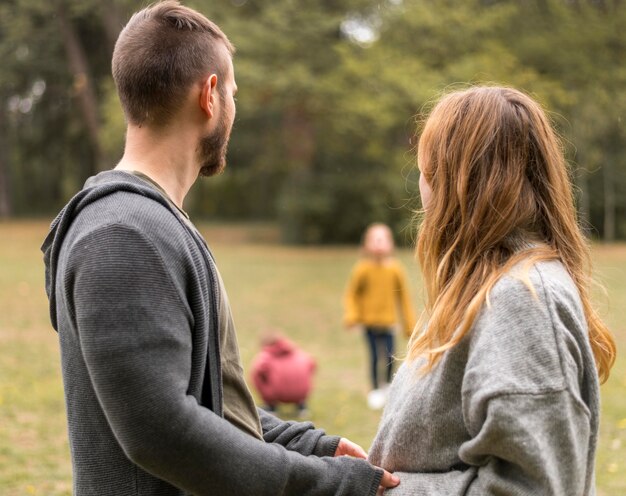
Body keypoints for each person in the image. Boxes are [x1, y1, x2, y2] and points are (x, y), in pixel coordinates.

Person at [41, 2, 399, 495]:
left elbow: (202, 396)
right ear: (210, 95)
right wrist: (328, 483)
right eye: (232, 92)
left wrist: (304, 442)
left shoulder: (146, 221)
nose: (235, 106)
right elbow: (164, 433)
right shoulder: (123, 233)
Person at [368, 86, 616, 495]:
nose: (420, 182)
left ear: (461, 179)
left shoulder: (524, 301)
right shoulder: (483, 289)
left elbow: (533, 488)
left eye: (427, 166)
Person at [343, 223, 416, 409]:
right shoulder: (362, 269)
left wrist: (409, 325)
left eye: (382, 239)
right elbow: (352, 294)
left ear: (390, 243)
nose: (378, 244)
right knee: (375, 357)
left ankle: (388, 389)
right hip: (370, 325)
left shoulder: (395, 269)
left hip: (389, 324)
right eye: (374, 240)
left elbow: (404, 298)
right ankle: (375, 389)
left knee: (391, 357)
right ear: (367, 244)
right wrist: (352, 316)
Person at [251, 332, 316, 417]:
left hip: (277, 393)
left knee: (256, 375)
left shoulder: (266, 356)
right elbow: (312, 364)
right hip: (302, 393)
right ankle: (301, 406)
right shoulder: (299, 353)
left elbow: (259, 370)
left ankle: (270, 406)